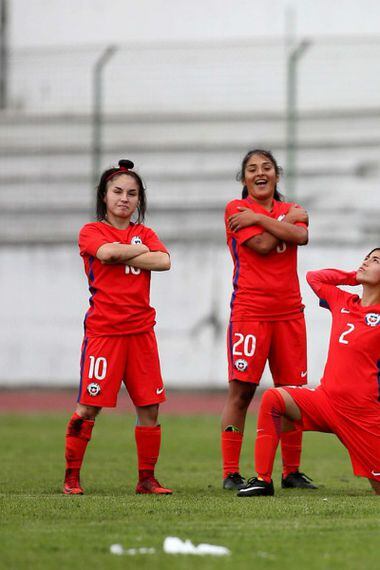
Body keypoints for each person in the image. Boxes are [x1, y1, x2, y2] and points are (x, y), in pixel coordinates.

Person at [63, 159, 172, 496]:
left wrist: (125, 252)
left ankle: (146, 479)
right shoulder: (91, 231)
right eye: (118, 192)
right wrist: (137, 252)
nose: (125, 198)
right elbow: (105, 253)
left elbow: (164, 261)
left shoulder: (147, 233)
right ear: (105, 196)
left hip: (141, 333)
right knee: (89, 406)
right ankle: (71, 477)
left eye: (132, 193)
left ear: (139, 200)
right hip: (105, 333)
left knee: (149, 407)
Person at [237, 248, 380, 497]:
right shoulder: (343, 301)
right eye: (366, 258)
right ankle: (263, 480)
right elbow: (315, 277)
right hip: (326, 401)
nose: (366, 262)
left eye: (375, 260)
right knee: (273, 398)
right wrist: (353, 276)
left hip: (363, 415)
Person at [221, 149, 317, 491]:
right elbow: (262, 245)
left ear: (277, 175)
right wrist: (283, 221)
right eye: (252, 169)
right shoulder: (236, 208)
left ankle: (291, 471)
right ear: (244, 178)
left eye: (267, 168)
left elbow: (301, 237)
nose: (260, 173)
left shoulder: (283, 211)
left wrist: (261, 219)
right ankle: (230, 472)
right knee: (242, 392)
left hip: (290, 313)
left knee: (293, 395)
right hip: (251, 313)